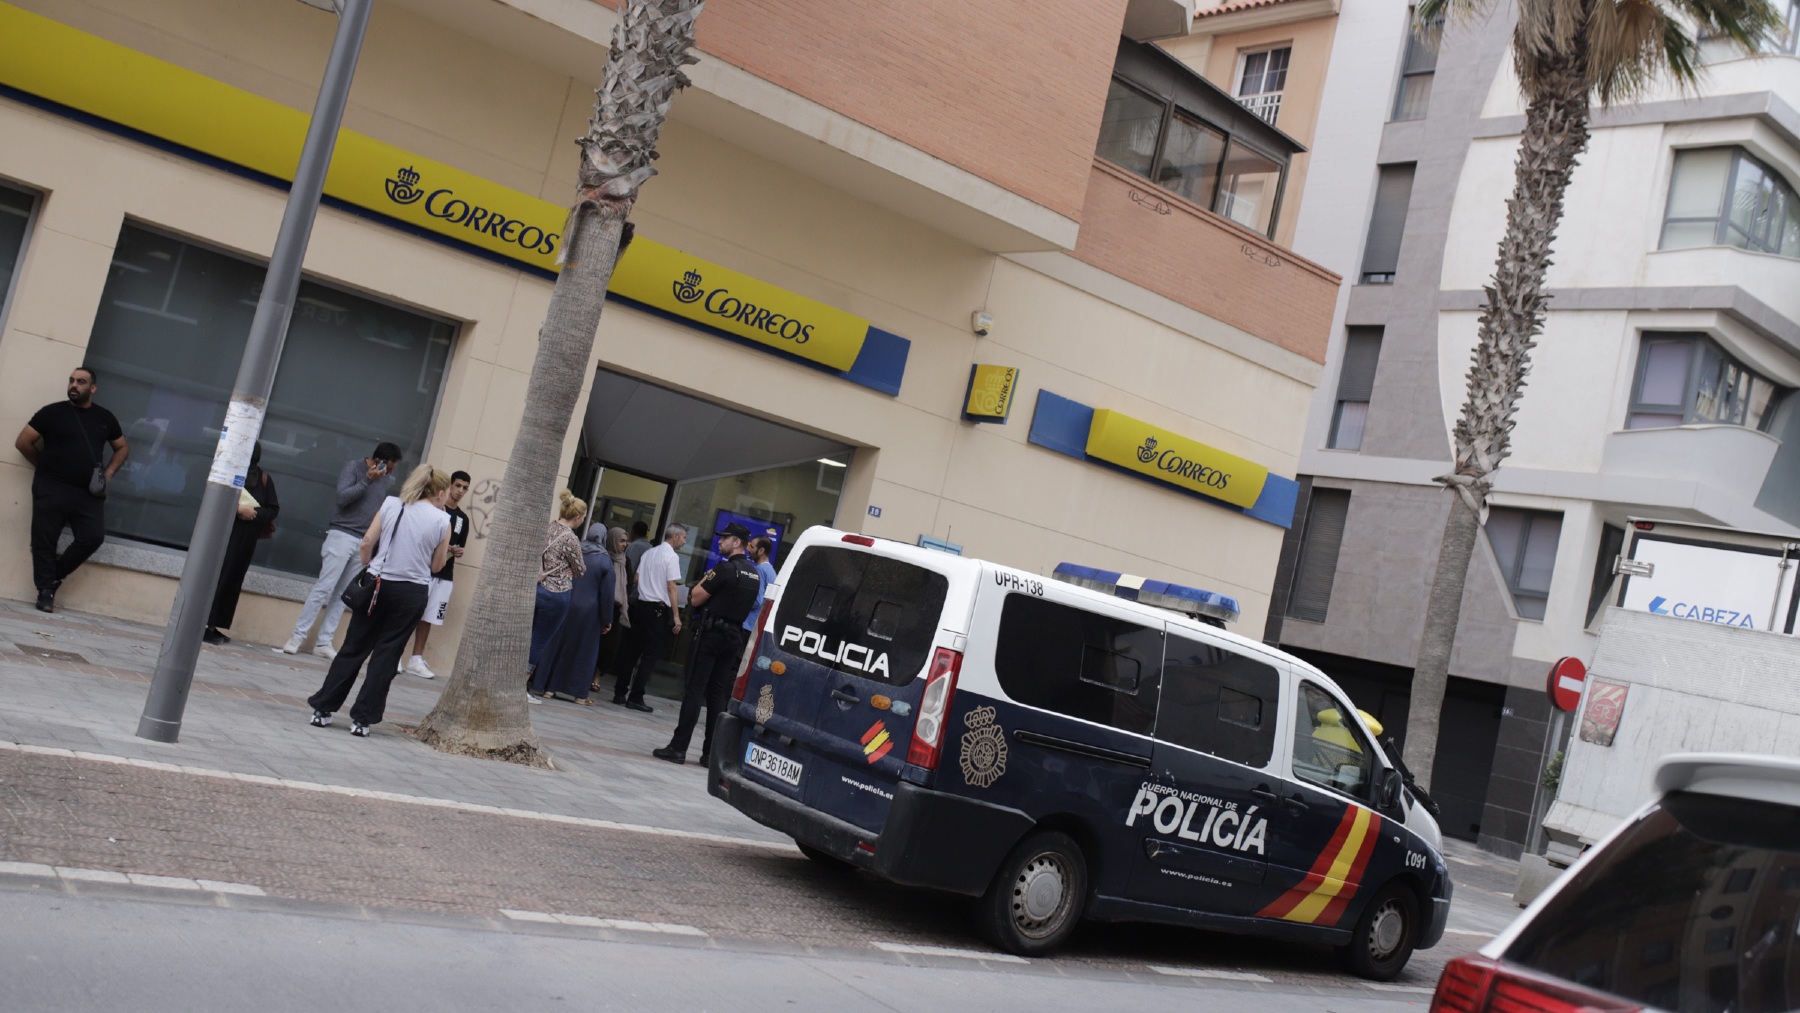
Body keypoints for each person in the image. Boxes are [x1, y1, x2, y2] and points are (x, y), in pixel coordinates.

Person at [306, 465, 451, 737]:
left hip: (377, 585)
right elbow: (437, 565)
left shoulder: (391, 504)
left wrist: (369, 567)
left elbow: (366, 542)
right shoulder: (442, 521)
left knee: (353, 648)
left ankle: (323, 708)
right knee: (386, 656)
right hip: (411, 592)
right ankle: (362, 719)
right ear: (441, 493)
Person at [14, 366, 129, 613]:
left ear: (93, 388)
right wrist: (43, 465)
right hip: (51, 487)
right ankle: (45, 591)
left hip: (87, 493)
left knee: (93, 536)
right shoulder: (51, 413)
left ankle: (54, 576)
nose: (74, 386)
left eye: (81, 382)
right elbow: (23, 442)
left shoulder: (104, 418)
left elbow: (122, 448)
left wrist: (107, 474)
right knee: (44, 540)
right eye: (71, 381)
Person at [280, 442, 402, 659]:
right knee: (324, 588)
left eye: (392, 469)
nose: (390, 473)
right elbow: (342, 498)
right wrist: (367, 480)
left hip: (363, 540)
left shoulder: (385, 480)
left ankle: (323, 642)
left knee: (344, 595)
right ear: (377, 461)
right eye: (388, 467)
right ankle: (297, 636)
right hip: (341, 535)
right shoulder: (353, 468)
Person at [653, 522, 762, 766]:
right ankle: (710, 753)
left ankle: (678, 747)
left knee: (694, 689)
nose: (719, 542)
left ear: (736, 543)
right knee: (717, 695)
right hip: (733, 637)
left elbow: (696, 596)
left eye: (725, 539)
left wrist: (702, 582)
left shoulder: (724, 569)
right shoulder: (754, 575)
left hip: (711, 635)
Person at [203, 442, 280, 645]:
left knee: (232, 581)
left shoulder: (264, 479)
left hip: (245, 541)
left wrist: (254, 513)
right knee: (216, 577)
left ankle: (215, 625)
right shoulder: (227, 473)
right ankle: (203, 624)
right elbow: (214, 499)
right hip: (222, 536)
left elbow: (273, 508)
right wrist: (238, 509)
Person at [531, 522, 616, 703]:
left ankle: (547, 688)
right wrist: (607, 618)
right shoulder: (604, 559)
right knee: (583, 651)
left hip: (567, 601)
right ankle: (579, 694)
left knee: (556, 645)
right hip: (589, 614)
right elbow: (607, 593)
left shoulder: (576, 549)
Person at [404, 470, 470, 679]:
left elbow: (459, 546)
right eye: (458, 485)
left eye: (465, 488)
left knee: (429, 617)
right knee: (410, 613)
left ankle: (416, 658)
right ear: (449, 486)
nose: (460, 491)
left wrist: (455, 550)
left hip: (445, 574)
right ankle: (395, 653)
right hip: (424, 570)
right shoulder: (434, 510)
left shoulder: (462, 519)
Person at [613, 523, 686, 713]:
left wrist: (649, 582)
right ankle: (636, 696)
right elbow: (671, 587)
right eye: (684, 537)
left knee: (632, 651)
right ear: (675, 536)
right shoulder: (671, 557)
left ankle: (619, 692)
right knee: (650, 655)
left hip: (640, 605)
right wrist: (676, 616)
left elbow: (636, 578)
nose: (685, 541)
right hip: (657, 610)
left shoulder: (649, 553)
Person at [527, 490, 587, 696]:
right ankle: (521, 685)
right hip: (557, 593)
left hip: (537, 587)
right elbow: (580, 570)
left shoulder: (548, 527)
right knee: (539, 640)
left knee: (526, 636)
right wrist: (566, 569)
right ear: (577, 517)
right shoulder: (571, 538)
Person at [592, 525, 631, 694]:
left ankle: (597, 674)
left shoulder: (625, 561)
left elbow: (627, 586)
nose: (624, 545)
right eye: (621, 541)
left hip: (616, 610)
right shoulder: (603, 557)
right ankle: (590, 676)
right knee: (594, 644)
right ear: (613, 540)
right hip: (599, 608)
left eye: (626, 542)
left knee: (610, 649)